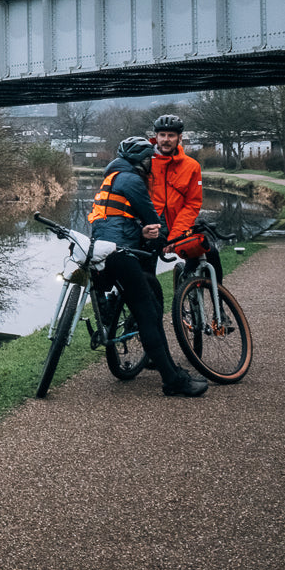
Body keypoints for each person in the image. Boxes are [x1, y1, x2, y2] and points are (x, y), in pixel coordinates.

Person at [88, 136, 209, 396]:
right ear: (143, 162)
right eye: (149, 161)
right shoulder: (132, 180)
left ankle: (106, 304)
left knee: (125, 291)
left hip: (97, 249)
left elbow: (118, 219)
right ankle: (172, 380)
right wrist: (170, 240)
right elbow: (151, 217)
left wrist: (141, 232)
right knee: (147, 313)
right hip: (121, 252)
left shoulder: (109, 180)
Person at [148, 113, 225, 285]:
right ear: (156, 137)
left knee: (210, 252)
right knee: (145, 276)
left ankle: (218, 300)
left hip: (180, 227)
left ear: (179, 138)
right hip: (151, 228)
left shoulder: (191, 166)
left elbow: (192, 204)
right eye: (162, 135)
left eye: (171, 135)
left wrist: (174, 236)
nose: (166, 139)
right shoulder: (145, 163)